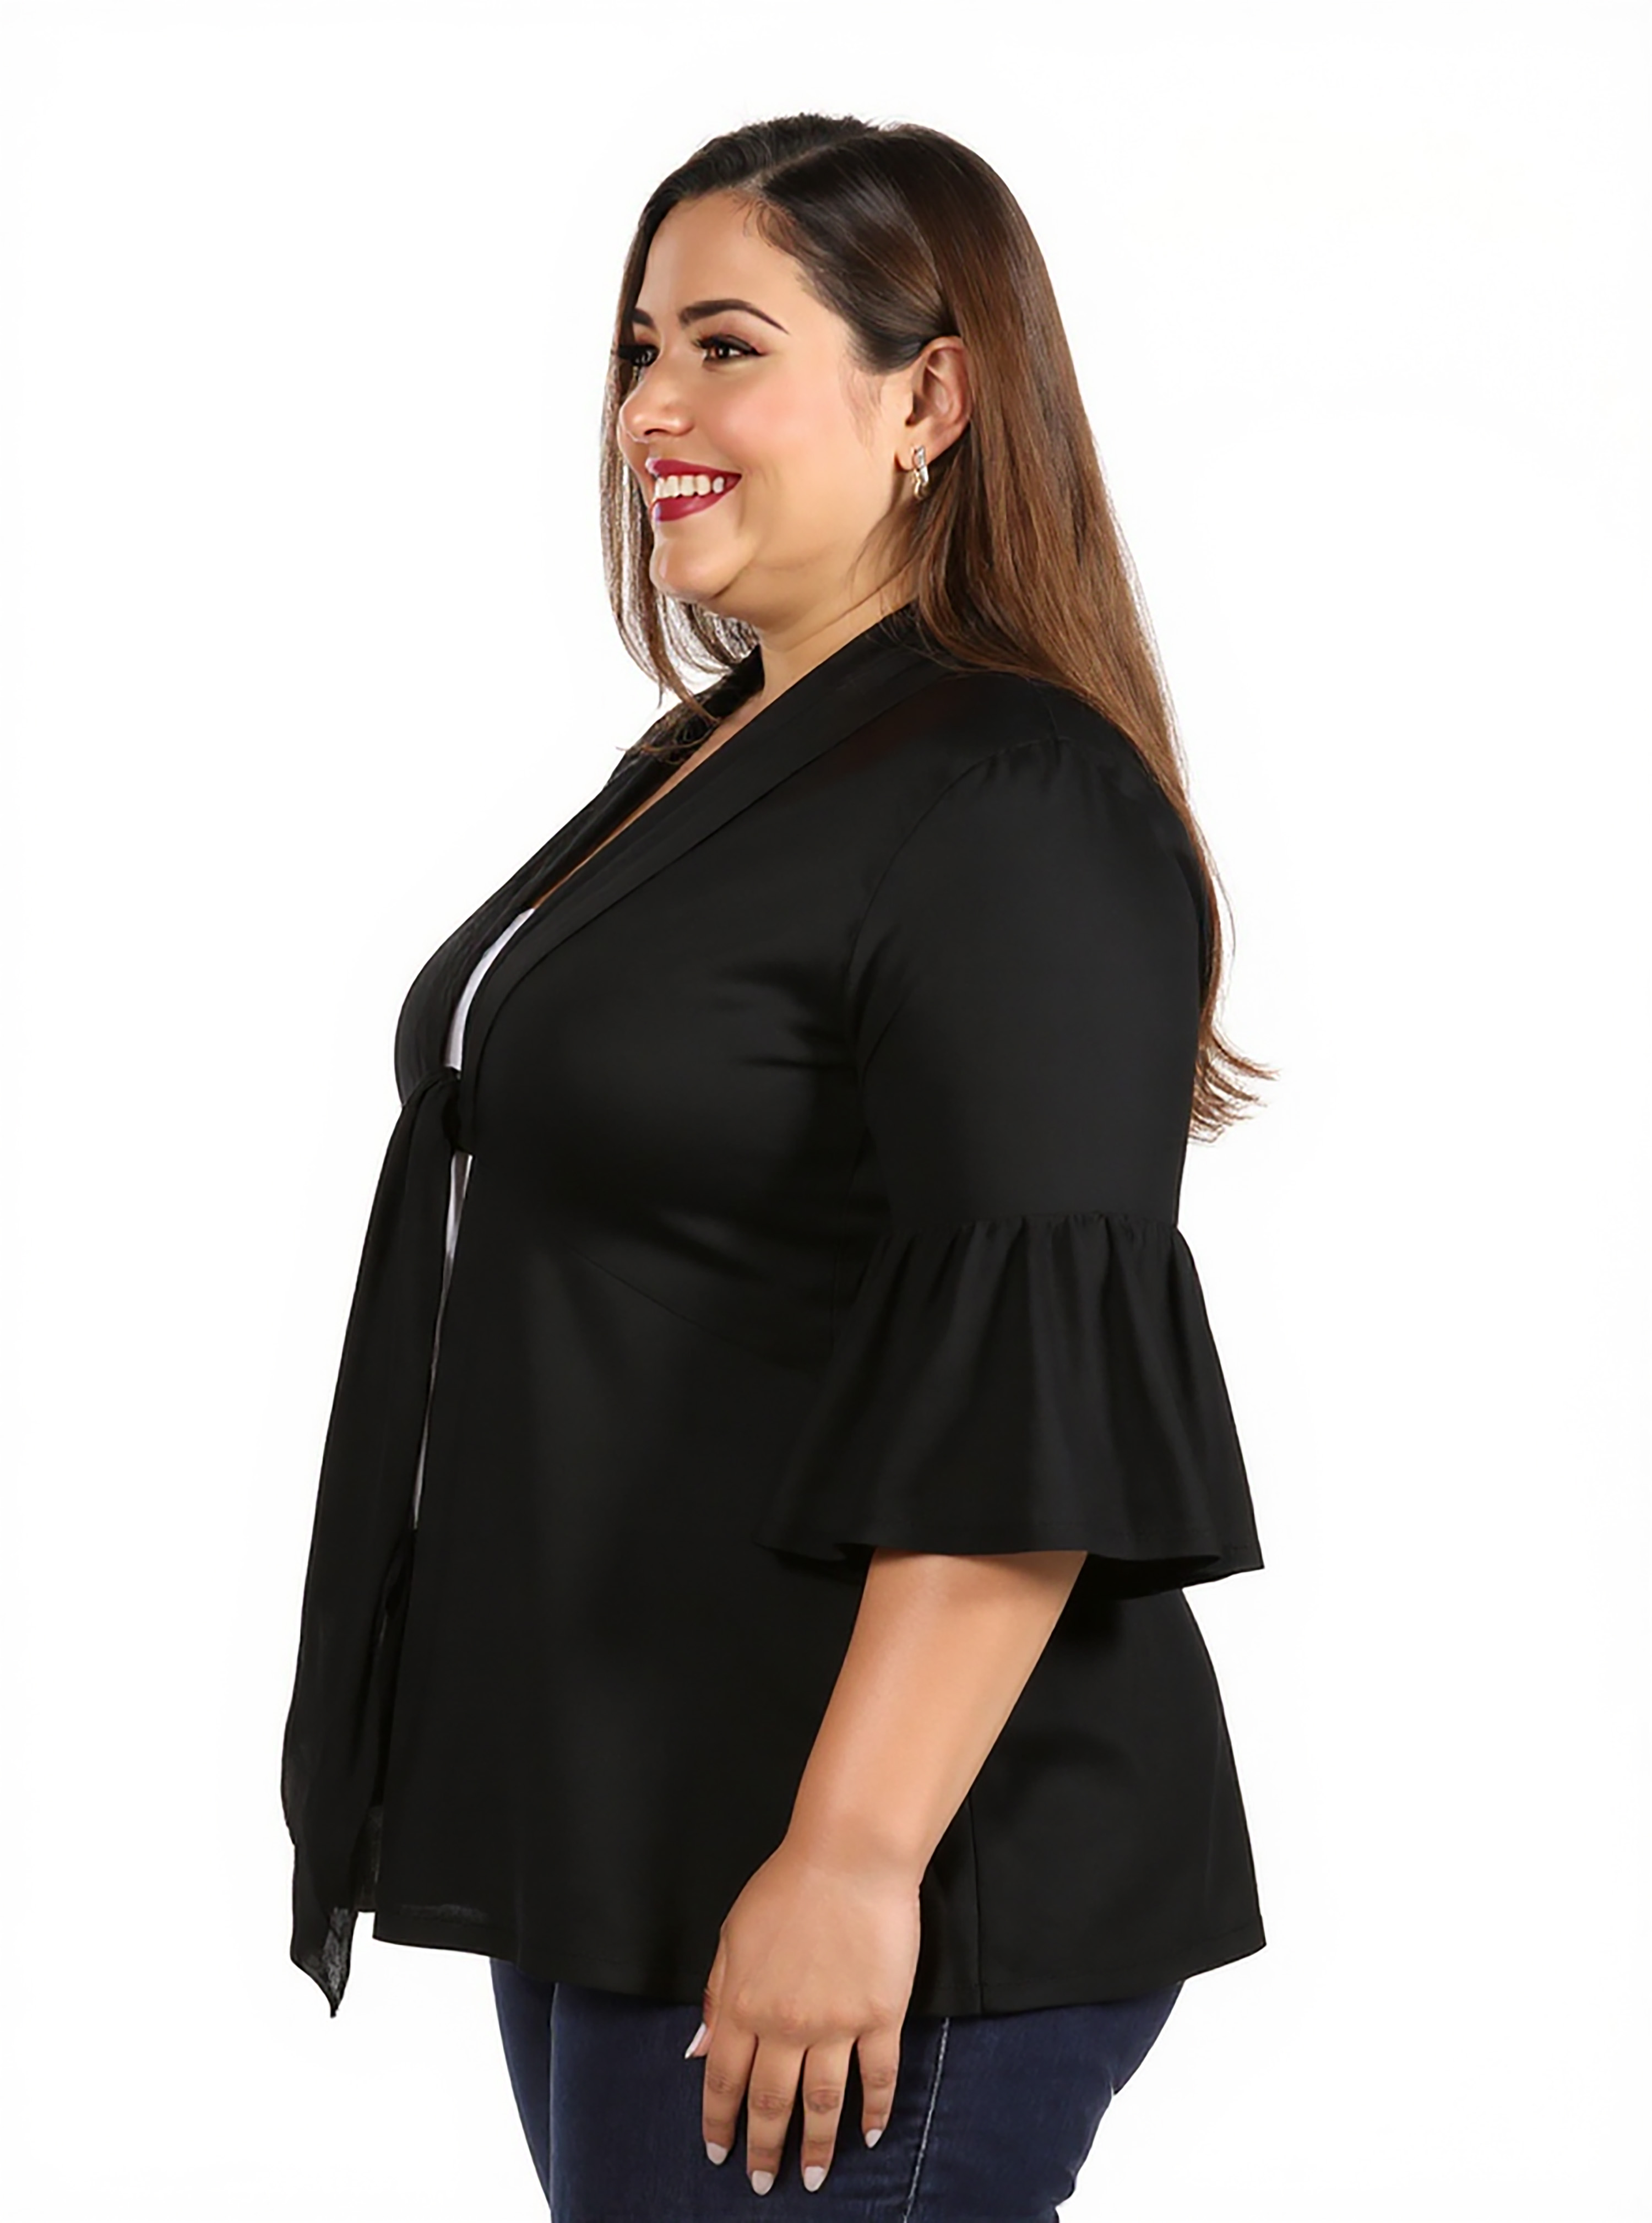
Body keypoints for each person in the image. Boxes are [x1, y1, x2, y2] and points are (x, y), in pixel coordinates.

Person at [281, 111, 1272, 2217]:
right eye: (638, 349)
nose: (653, 406)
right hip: (638, 1826)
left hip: (874, 1871)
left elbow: (1032, 1379)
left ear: (932, 398)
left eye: (727, 347)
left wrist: (850, 1854)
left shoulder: (1009, 793)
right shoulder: (726, 754)